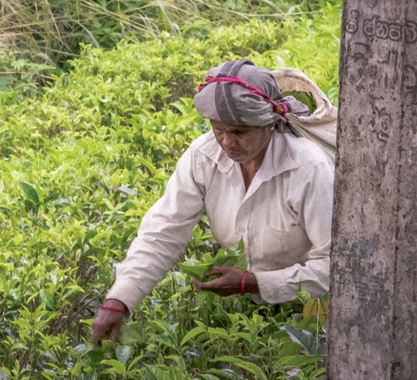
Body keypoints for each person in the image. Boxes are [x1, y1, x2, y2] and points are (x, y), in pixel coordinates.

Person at [90, 58, 334, 345]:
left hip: (314, 315)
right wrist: (119, 300)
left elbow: (336, 267)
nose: (227, 142)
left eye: (239, 132)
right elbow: (164, 232)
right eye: (218, 130)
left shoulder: (308, 168)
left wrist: (254, 283)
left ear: (269, 124)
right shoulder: (203, 157)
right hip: (248, 316)